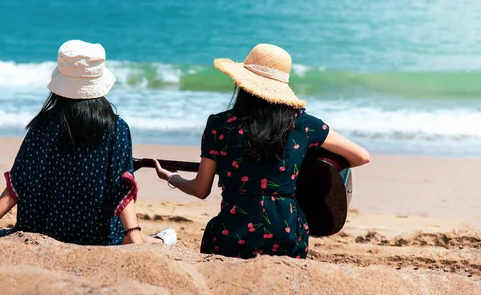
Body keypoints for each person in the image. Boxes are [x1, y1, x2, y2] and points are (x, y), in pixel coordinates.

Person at [153, 44, 369, 259]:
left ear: (243, 84)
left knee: (215, 233)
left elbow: (201, 189)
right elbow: (361, 156)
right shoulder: (305, 125)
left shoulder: (219, 124)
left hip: (232, 235)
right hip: (287, 237)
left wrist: (173, 177)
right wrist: (303, 170)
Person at [0, 40, 176, 246]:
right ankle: (156, 241)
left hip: (40, 229)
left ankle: (151, 239)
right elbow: (121, 189)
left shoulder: (42, 125)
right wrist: (134, 237)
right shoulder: (117, 128)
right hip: (93, 235)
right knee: (125, 235)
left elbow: (18, 184)